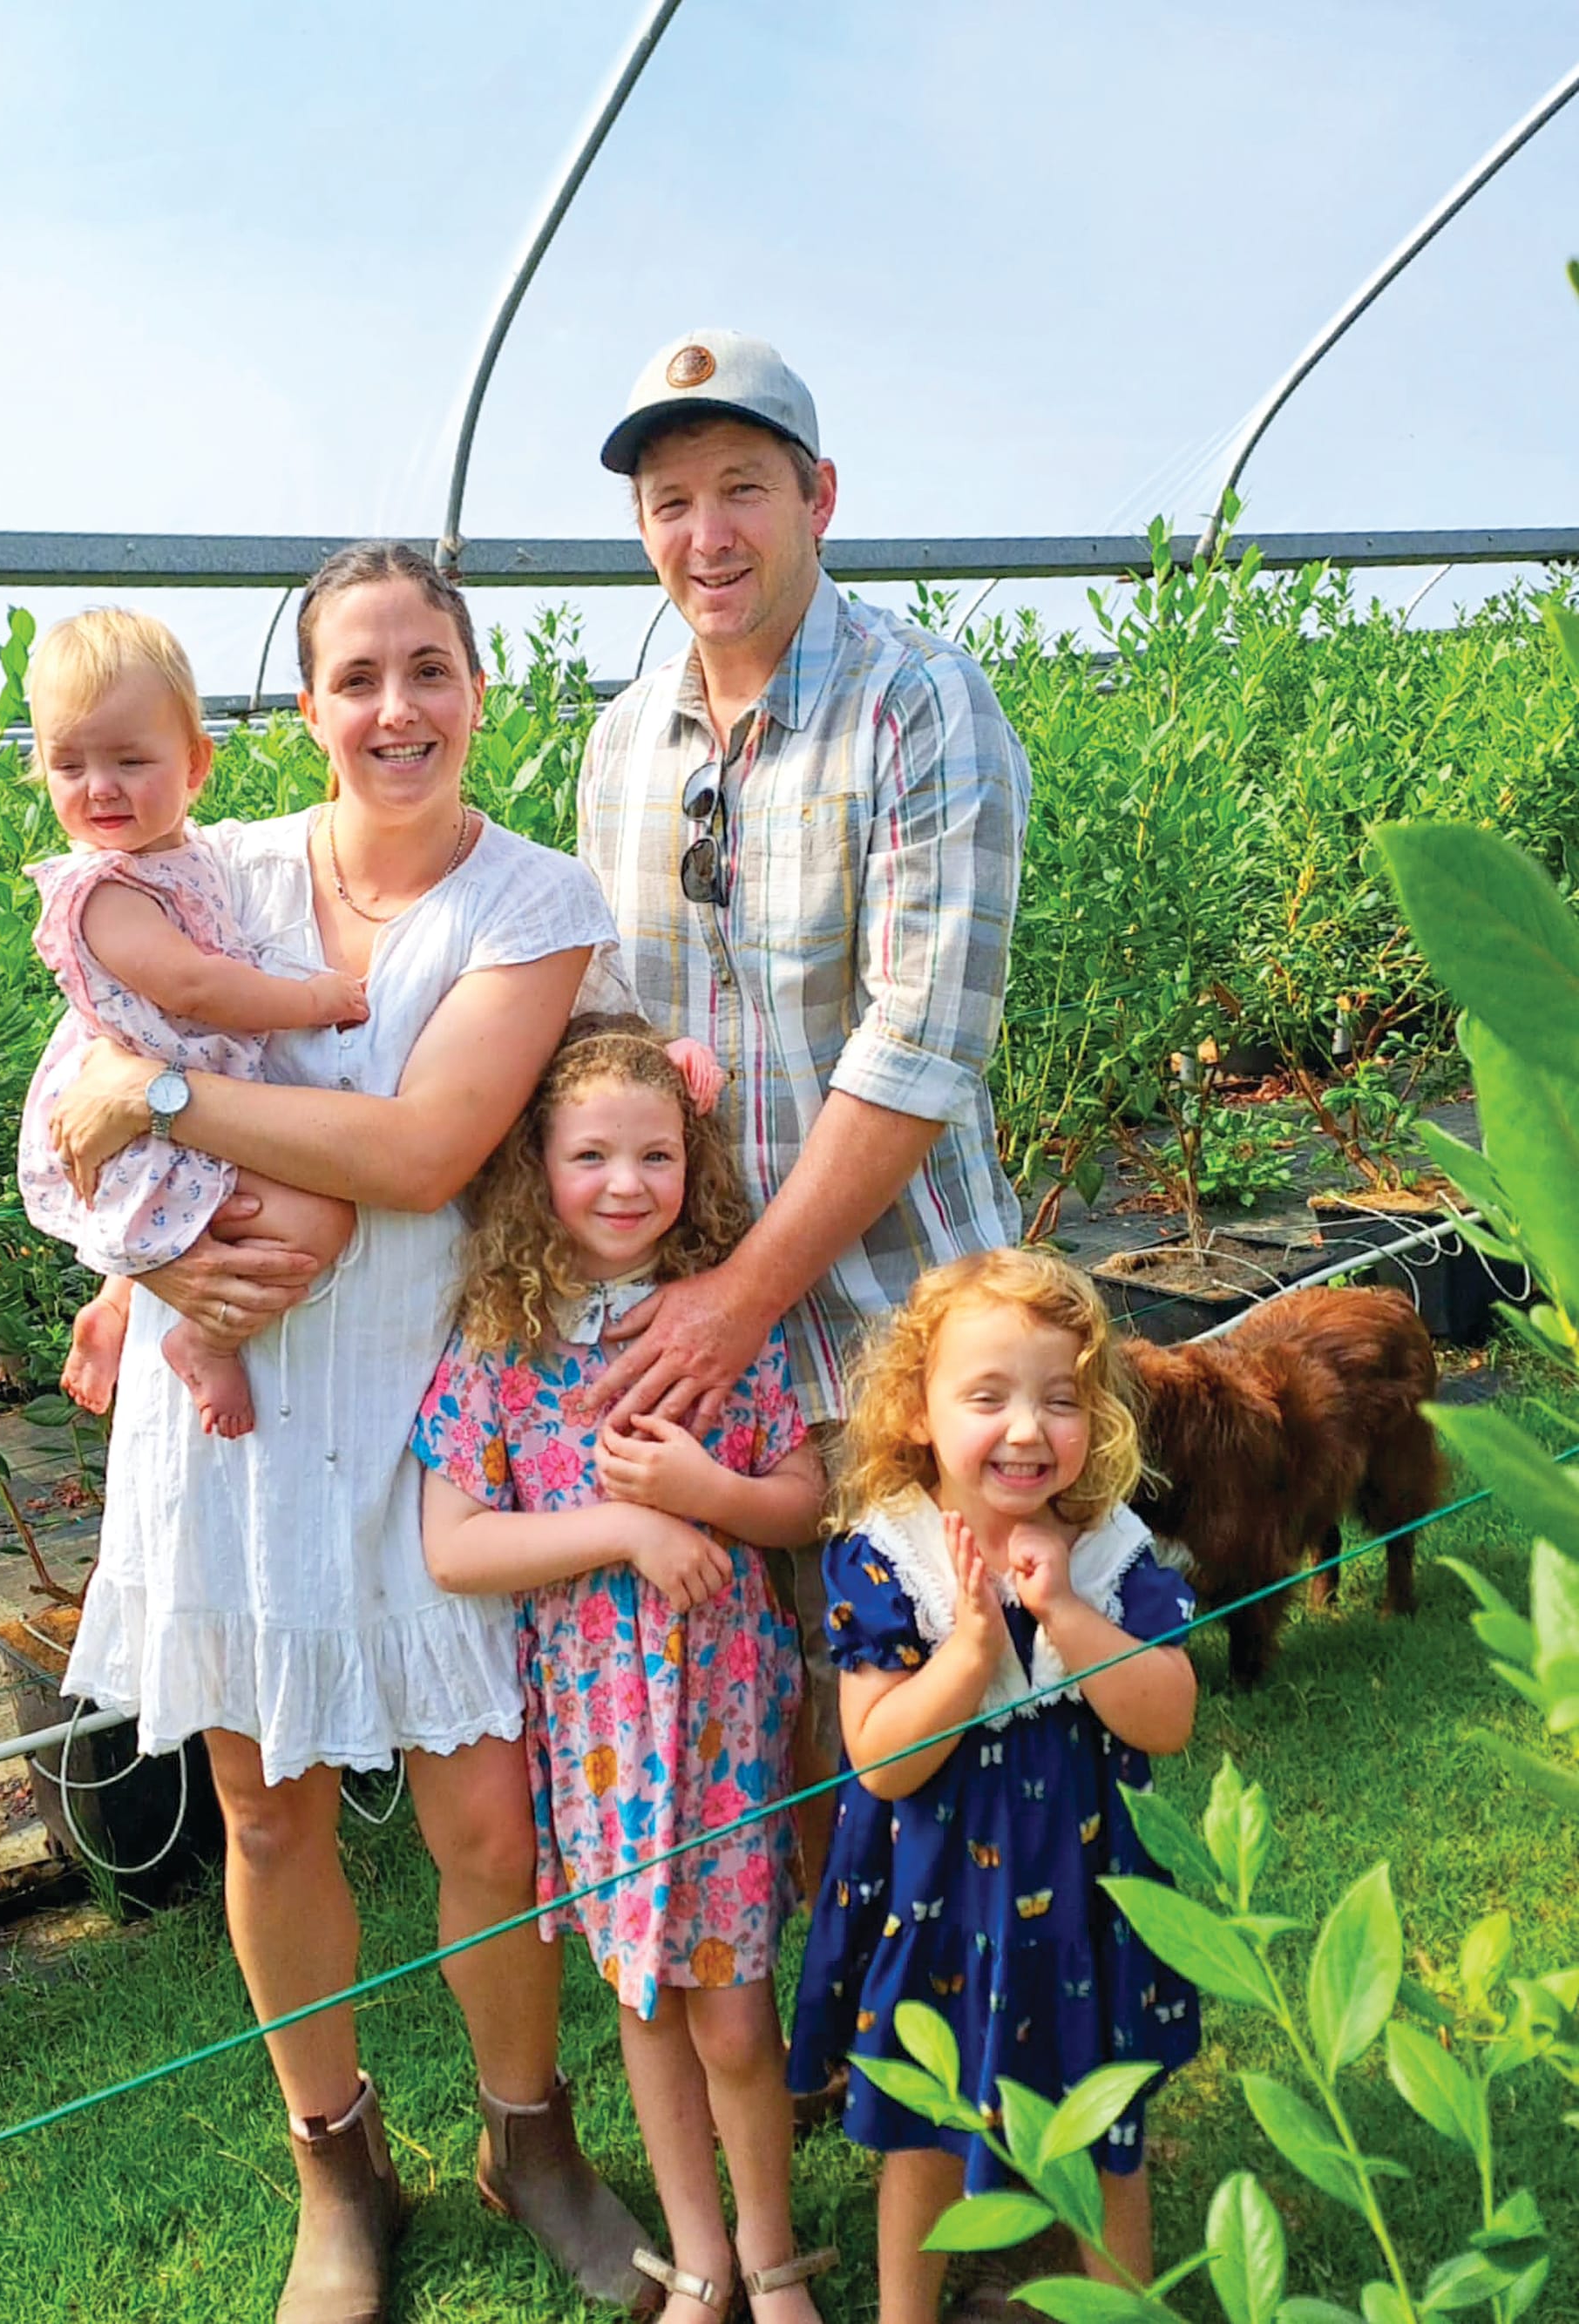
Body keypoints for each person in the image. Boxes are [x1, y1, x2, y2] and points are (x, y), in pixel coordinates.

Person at [42, 544, 654, 2324]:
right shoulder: (202, 869)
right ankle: (339, 2162)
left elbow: (420, 1155)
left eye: (426, 670)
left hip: (420, 1404)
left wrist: (158, 1090)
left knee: (483, 1808)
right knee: (259, 1796)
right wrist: (139, 1264)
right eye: (355, 677)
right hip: (221, 1402)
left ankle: (528, 2141)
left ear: (475, 688)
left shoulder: (532, 906)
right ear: (299, 712)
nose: (394, 709)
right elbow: (60, 1103)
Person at [577, 328, 1033, 1901]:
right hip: (702, 1313)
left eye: (743, 490)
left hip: (897, 1316)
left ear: (820, 496)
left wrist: (730, 1305)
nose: (705, 536)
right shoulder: (621, 743)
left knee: (951, 1697)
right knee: (768, 1704)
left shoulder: (921, 707)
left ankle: (989, 2049)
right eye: (670, 501)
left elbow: (919, 1047)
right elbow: (612, 1039)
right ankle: (831, 2033)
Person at [415, 1018, 837, 2324]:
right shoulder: (504, 1344)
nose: (623, 1180)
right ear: (535, 1165)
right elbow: (456, 1542)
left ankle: (771, 2264)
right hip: (597, 1736)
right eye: (589, 1151)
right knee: (646, 2003)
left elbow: (804, 1497)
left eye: (656, 1152)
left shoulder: (715, 1328)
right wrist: (630, 1526)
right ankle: (697, 2260)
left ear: (692, 1164)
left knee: (732, 2012)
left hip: (718, 1729)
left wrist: (708, 1491)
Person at [786, 1249, 1202, 2324]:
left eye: (1059, 1399)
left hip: (1089, 1897)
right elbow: (881, 1756)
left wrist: (1065, 1613)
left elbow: (1168, 1715)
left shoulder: (1107, 1549)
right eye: (987, 1396)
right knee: (921, 2127)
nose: (1026, 1429)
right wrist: (967, 1656)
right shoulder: (888, 1558)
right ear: (917, 1411)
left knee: (1108, 2127)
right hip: (935, 1906)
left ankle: (1118, 2308)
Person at [18, 608, 363, 1440]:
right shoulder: (103, 888)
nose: (99, 786)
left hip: (175, 1097)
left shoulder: (189, 854)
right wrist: (314, 1000)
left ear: (196, 763)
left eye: (130, 760)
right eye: (69, 764)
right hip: (143, 1117)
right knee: (323, 1220)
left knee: (226, 1208)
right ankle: (203, 1337)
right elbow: (199, 985)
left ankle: (115, 1302)